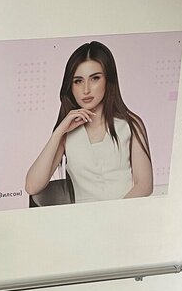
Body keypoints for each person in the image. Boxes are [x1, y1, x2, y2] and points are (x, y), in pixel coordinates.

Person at [25, 41, 153, 204]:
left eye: (95, 78)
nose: (86, 89)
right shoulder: (66, 135)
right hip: (84, 218)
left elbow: (144, 185)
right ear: (70, 86)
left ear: (108, 80)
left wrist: (113, 215)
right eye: (78, 81)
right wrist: (58, 132)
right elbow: (32, 186)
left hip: (125, 215)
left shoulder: (131, 124)